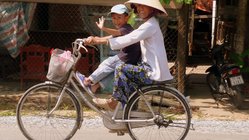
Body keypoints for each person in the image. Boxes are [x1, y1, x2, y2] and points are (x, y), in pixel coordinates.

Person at [84, 0, 174, 110]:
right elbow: (124, 36)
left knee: (120, 67)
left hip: (151, 72)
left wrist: (98, 41)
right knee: (122, 69)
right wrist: (98, 39)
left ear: (152, 9)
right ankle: (129, 108)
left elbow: (129, 38)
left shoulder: (150, 25)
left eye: (144, 6)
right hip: (146, 68)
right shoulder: (150, 24)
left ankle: (115, 101)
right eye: (138, 6)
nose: (140, 8)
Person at [76, 4, 141, 94]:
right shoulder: (123, 29)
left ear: (127, 17)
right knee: (111, 72)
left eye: (119, 17)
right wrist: (93, 39)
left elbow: (116, 32)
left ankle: (88, 80)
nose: (116, 21)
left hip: (126, 57)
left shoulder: (126, 29)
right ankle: (94, 87)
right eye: (114, 18)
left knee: (107, 63)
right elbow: (107, 38)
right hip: (130, 59)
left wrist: (103, 28)